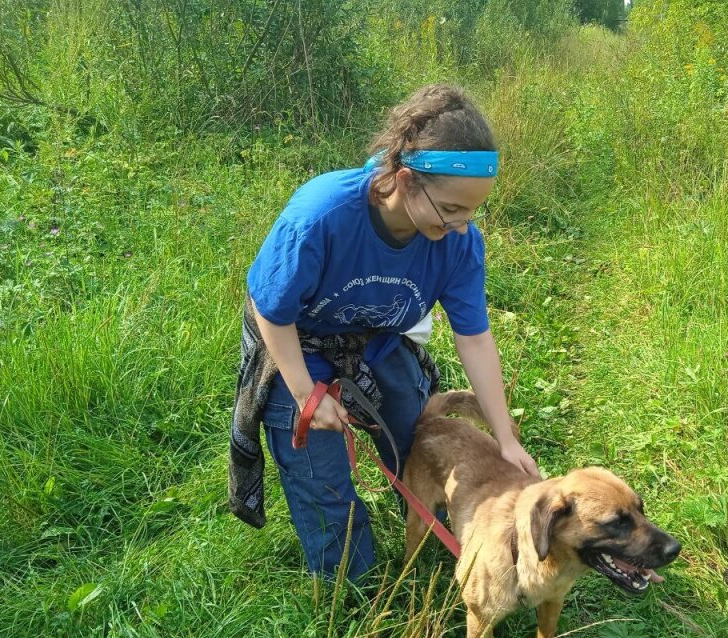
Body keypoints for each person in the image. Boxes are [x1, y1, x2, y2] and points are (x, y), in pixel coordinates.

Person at [228, 83, 540, 583]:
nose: (462, 227)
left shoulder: (457, 242)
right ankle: (349, 589)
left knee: (418, 439)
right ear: (404, 180)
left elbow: (475, 338)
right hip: (294, 343)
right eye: (451, 210)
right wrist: (307, 393)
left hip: (375, 340)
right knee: (323, 483)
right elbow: (273, 312)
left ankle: (423, 527)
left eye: (472, 212)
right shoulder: (322, 215)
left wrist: (504, 439)